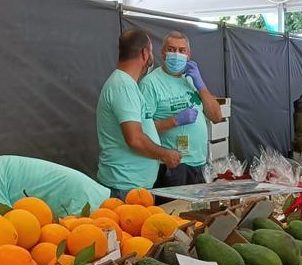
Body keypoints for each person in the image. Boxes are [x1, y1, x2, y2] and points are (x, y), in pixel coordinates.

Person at [95, 30, 180, 199]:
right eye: (151, 51)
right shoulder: (123, 86)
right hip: (125, 188)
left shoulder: (127, 84)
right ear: (144, 52)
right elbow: (135, 139)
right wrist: (165, 154)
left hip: (133, 187)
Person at [141, 31, 224, 188]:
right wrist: (174, 121)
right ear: (163, 53)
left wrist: (201, 85)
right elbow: (141, 130)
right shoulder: (150, 84)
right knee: (173, 211)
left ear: (189, 54)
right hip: (172, 165)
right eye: (171, 49)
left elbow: (216, 116)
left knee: (198, 212)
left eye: (181, 50)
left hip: (200, 163)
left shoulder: (191, 78)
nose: (176, 54)